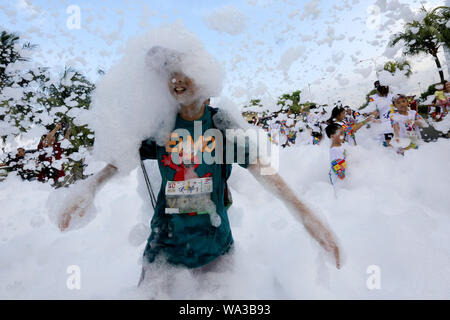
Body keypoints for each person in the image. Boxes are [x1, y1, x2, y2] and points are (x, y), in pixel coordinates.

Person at [57, 46, 341, 286]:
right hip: (164, 247)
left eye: (184, 73)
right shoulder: (161, 125)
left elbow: (261, 169)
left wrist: (307, 215)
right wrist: (90, 188)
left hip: (215, 246)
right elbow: (123, 159)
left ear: (205, 80)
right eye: (170, 75)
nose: (176, 80)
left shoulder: (221, 123)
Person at [325, 123, 346, 190]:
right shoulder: (334, 150)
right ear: (332, 136)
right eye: (341, 133)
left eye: (343, 133)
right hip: (339, 181)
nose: (343, 136)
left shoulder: (341, 145)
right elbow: (338, 169)